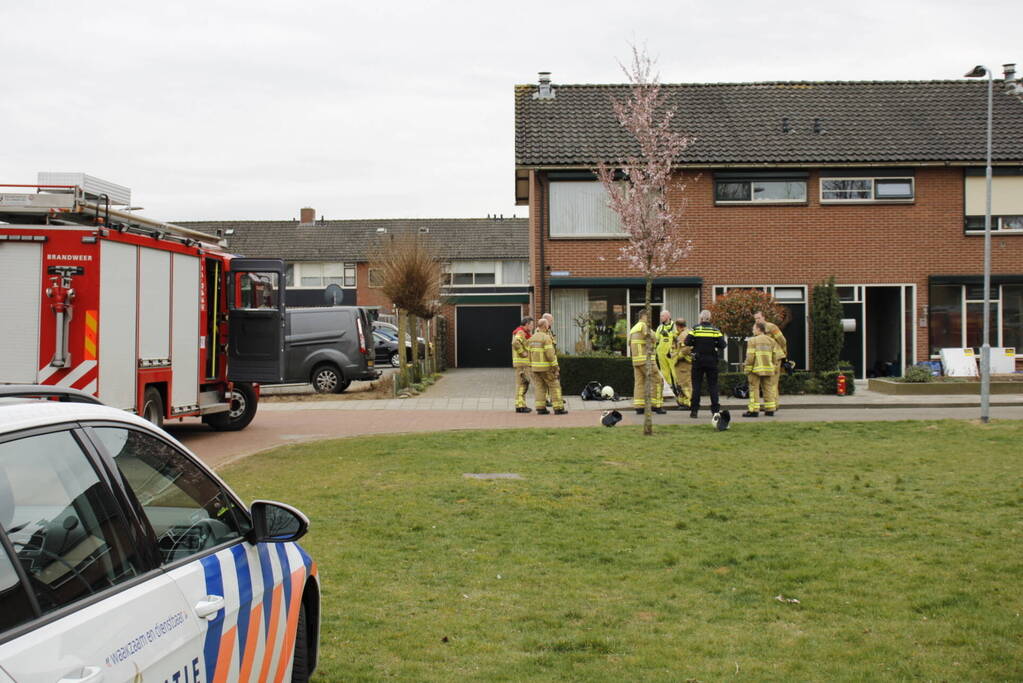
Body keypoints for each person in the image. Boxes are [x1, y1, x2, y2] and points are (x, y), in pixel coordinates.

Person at [685, 309, 727, 418]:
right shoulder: (715, 330)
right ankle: (715, 411)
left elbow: (687, 342)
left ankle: (694, 411)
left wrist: (695, 343)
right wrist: (715, 344)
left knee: (696, 386)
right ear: (710, 318)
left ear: (701, 318)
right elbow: (723, 345)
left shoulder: (695, 329)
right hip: (712, 361)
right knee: (713, 386)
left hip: (698, 361)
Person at [742, 321, 784, 417]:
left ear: (758, 329)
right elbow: (776, 356)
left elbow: (750, 357)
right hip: (768, 369)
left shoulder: (752, 341)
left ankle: (754, 410)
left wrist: (747, 369)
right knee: (768, 389)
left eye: (753, 328)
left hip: (755, 369)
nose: (752, 330)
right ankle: (770, 409)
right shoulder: (771, 341)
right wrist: (773, 367)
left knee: (754, 389)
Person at [629, 309, 667, 415]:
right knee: (658, 380)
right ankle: (657, 406)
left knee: (639, 383)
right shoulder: (644, 326)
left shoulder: (633, 328)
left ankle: (639, 407)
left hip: (636, 361)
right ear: (644, 316)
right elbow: (650, 336)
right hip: (646, 360)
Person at [527, 318, 566, 415]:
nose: (549, 326)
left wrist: (531, 366)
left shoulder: (532, 338)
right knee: (554, 385)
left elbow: (529, 354)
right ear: (545, 326)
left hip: (535, 368)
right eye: (548, 325)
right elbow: (550, 354)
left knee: (539, 387)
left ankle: (540, 408)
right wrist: (555, 367)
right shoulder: (546, 338)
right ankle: (558, 408)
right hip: (546, 368)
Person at [754, 310, 788, 412]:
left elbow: (782, 340)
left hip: (775, 358)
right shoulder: (757, 329)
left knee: (772, 382)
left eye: (759, 318)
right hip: (767, 359)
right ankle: (771, 404)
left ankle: (773, 405)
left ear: (764, 317)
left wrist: (781, 352)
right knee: (768, 383)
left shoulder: (772, 327)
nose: (757, 320)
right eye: (755, 319)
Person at [511, 316, 534, 413]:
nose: (532, 327)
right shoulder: (521, 332)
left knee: (523, 384)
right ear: (527, 324)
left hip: (522, 363)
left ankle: (521, 405)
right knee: (522, 384)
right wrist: (522, 353)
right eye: (531, 325)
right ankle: (520, 406)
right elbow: (515, 343)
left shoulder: (524, 333)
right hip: (522, 363)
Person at [671, 318, 693, 410]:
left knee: (685, 384)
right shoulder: (682, 333)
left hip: (684, 363)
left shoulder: (684, 335)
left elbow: (685, 349)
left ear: (678, 326)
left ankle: (688, 403)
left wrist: (677, 357)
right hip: (680, 364)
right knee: (681, 384)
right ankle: (682, 402)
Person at [655, 310, 676, 403]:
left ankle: (677, 390)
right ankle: (667, 391)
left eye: (662, 316)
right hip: (661, 354)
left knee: (674, 372)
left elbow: (677, 339)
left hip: (671, 354)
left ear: (668, 316)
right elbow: (656, 340)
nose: (660, 317)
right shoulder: (660, 328)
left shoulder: (674, 327)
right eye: (660, 316)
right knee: (664, 373)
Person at [541, 313, 557, 405]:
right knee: (546, 382)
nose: (552, 322)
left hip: (550, 358)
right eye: (551, 320)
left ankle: (553, 398)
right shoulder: (541, 331)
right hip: (545, 360)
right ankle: (546, 399)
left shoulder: (549, 330)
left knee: (552, 380)